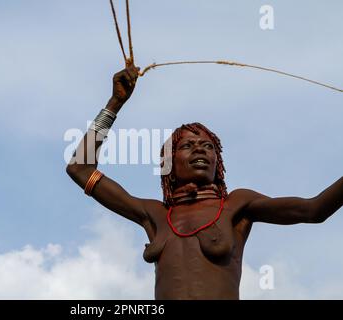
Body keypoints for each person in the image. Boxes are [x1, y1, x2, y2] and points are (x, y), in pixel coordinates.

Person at [65, 65, 343, 300]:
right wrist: (115, 104)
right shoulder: (155, 215)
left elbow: (313, 210)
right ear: (169, 163)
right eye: (188, 146)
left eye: (208, 146)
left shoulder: (237, 205)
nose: (200, 150)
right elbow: (80, 168)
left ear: (218, 162)